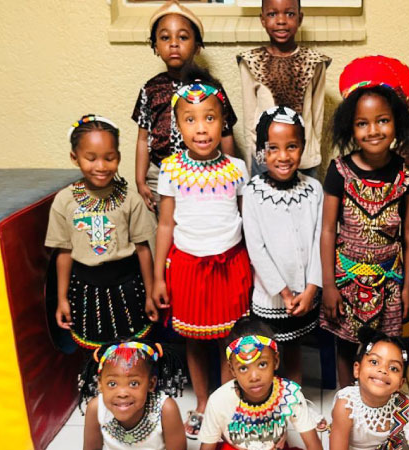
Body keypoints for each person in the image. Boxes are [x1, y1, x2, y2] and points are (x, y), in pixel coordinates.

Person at [152, 67, 252, 439]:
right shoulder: (170, 169)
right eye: (190, 120)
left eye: (210, 118)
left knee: (229, 338)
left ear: (223, 122)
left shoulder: (237, 168)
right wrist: (158, 278)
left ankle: (226, 402)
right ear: (178, 126)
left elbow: (246, 219)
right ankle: (203, 402)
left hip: (231, 264)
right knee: (194, 338)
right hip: (187, 266)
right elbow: (165, 224)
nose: (201, 128)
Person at [320, 56, 409, 387]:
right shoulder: (339, 170)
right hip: (346, 280)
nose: (373, 130)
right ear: (350, 128)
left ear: (397, 123)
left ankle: (378, 403)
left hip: (389, 282)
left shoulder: (408, 174)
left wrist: (408, 286)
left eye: (383, 121)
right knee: (345, 345)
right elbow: (327, 230)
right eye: (362, 123)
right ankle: (345, 401)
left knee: (382, 349)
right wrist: (329, 286)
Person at [46, 114, 157, 349]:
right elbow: (63, 252)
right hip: (85, 290)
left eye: (109, 158)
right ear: (75, 158)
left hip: (128, 287)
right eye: (91, 158)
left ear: (118, 157)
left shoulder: (130, 199)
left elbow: (143, 249)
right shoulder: (64, 201)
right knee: (94, 355)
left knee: (133, 352)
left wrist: (149, 293)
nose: (101, 166)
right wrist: (62, 298)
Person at [242, 106, 323, 383]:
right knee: (267, 356)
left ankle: (295, 399)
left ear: (303, 147)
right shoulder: (253, 192)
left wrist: (311, 289)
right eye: (273, 148)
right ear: (262, 151)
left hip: (305, 296)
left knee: (295, 349)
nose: (283, 156)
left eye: (291, 147)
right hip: (272, 297)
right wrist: (285, 293)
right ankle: (269, 400)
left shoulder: (314, 190)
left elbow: (319, 241)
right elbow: (256, 249)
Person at [133, 0, 238, 212]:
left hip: (204, 171)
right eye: (165, 38)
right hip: (159, 174)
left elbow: (226, 134)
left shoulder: (211, 89)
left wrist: (230, 173)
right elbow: (143, 138)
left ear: (197, 46)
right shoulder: (150, 89)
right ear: (155, 46)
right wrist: (140, 180)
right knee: (163, 224)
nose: (174, 44)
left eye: (182, 37)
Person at [198, 317, 323, 450]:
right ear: (232, 370)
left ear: (276, 361)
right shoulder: (218, 401)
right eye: (243, 368)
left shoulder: (290, 395)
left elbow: (313, 445)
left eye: (262, 364)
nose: (254, 377)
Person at [237, 0, 330, 177]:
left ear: (300, 18)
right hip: (265, 159)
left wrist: (312, 155)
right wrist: (254, 162)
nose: (281, 21)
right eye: (272, 14)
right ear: (262, 19)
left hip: (304, 159)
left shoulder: (315, 62)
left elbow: (317, 116)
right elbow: (249, 120)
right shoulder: (250, 61)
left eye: (290, 14)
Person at [80, 341, 187, 450]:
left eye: (134, 383)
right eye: (112, 384)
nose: (122, 393)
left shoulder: (166, 409)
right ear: (100, 384)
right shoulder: (96, 408)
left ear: (151, 384)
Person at [329, 328, 409, 450]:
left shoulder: (404, 406)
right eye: (374, 362)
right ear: (357, 370)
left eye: (393, 368)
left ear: (400, 384)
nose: (383, 370)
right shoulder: (346, 406)